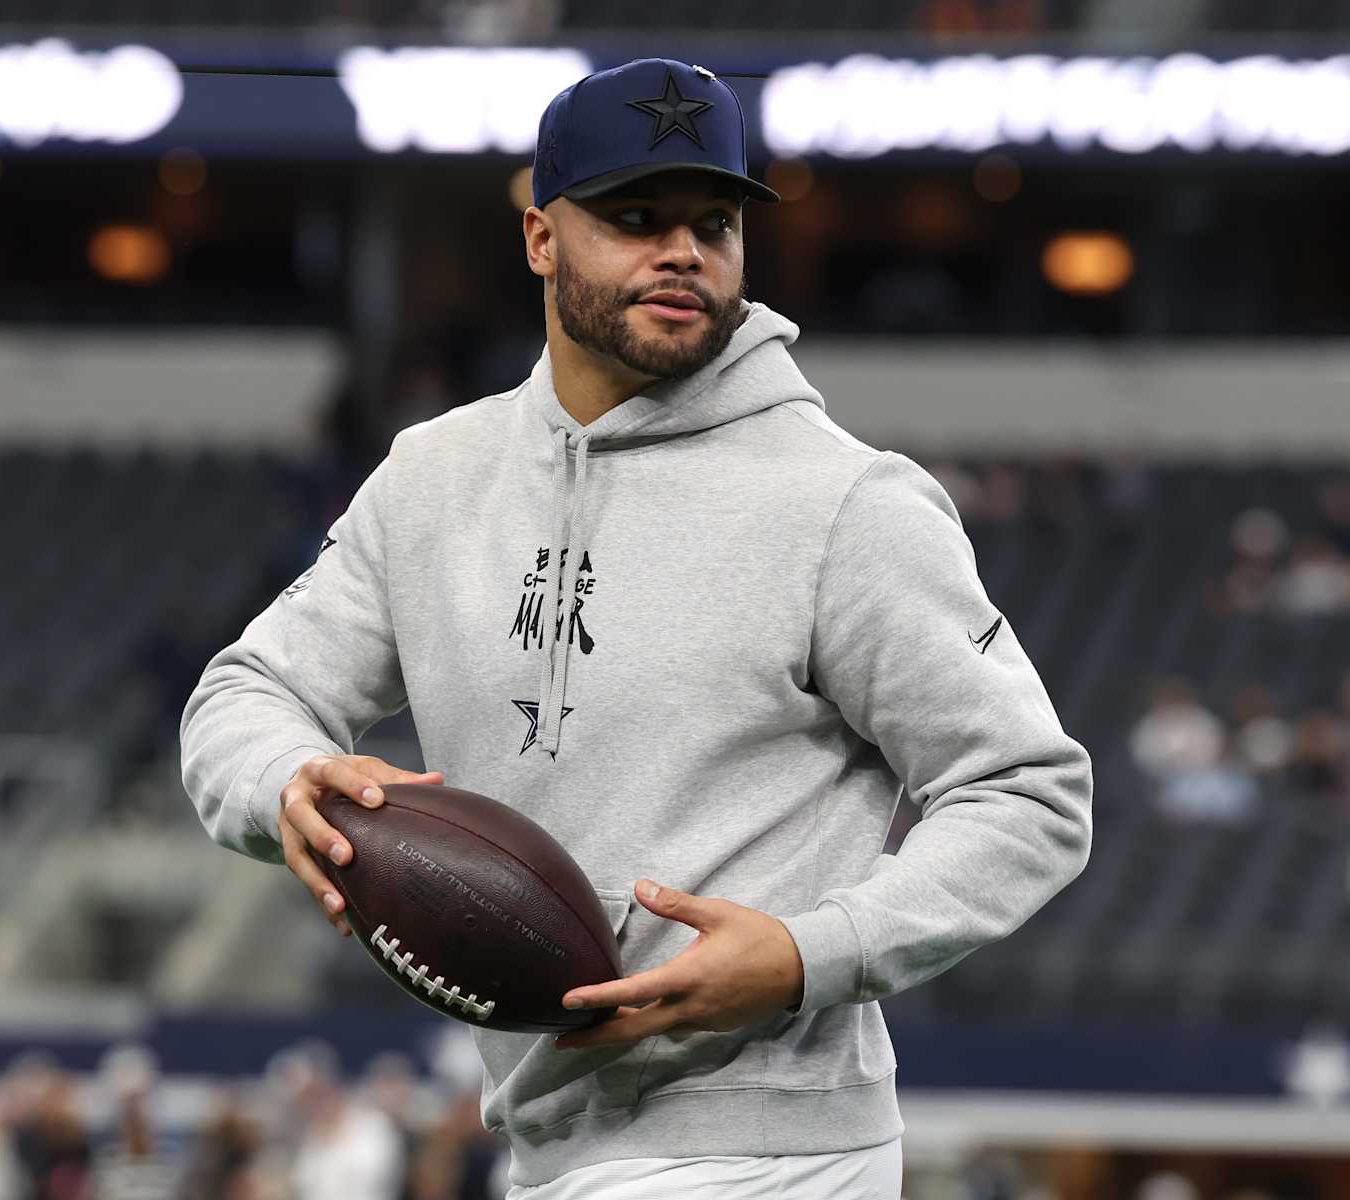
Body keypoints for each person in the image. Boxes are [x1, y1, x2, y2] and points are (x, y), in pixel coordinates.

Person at [181, 56, 1093, 1200]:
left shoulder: (842, 501)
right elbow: (243, 693)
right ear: (540, 240)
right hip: (552, 1143)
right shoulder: (432, 480)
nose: (684, 251)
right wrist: (287, 784)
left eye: (715, 220)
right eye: (633, 216)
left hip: (767, 1144)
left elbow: (1029, 794)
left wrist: (813, 953)